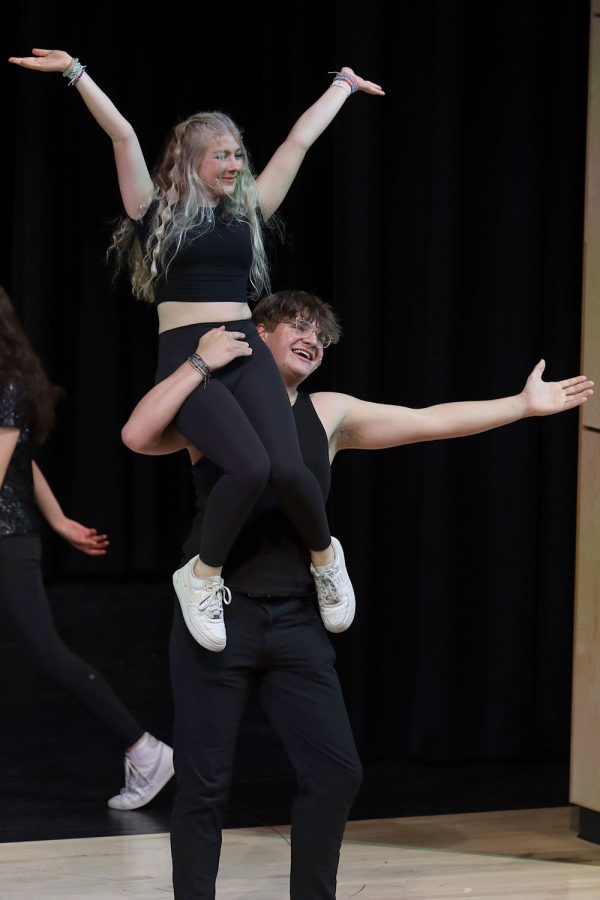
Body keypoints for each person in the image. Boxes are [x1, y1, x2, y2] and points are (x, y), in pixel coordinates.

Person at [121, 289, 593, 899]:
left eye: (323, 332)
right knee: (205, 784)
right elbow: (137, 434)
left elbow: (429, 420)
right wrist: (199, 364)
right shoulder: (216, 408)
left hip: (297, 618)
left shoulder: (328, 412)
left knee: (336, 770)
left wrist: (521, 406)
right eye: (299, 322)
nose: (314, 335)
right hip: (218, 614)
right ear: (258, 332)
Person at [8, 49, 385, 654]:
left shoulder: (251, 212)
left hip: (246, 348)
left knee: (289, 470)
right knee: (250, 467)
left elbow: (298, 142)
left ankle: (324, 559)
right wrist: (76, 71)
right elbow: (123, 132)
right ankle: (202, 574)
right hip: (193, 355)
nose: (235, 163)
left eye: (239, 154)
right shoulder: (151, 212)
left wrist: (342, 85)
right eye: (224, 155)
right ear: (192, 160)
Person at [0, 285, 174, 812]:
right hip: (15, 531)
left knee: (45, 650)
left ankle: (145, 750)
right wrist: (60, 521)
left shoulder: (5, 385)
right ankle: (145, 750)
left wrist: (49, 523)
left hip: (5, 538)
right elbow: (20, 462)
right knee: (43, 648)